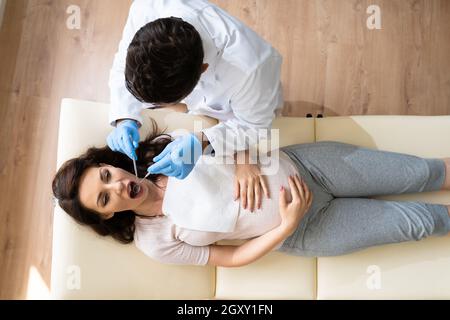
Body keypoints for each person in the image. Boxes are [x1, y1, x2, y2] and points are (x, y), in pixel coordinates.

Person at [52, 126, 450, 267]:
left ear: (112, 163)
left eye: (107, 175)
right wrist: (288, 225)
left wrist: (243, 161)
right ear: (106, 216)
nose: (117, 185)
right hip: (306, 229)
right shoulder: (154, 241)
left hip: (306, 167)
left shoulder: (165, 147)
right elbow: (231, 257)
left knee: (425, 172)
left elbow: (235, 128)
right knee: (421, 223)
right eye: (105, 198)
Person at [107, 0, 283, 204]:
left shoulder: (253, 70)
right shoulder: (147, 7)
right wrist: (124, 118)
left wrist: (202, 140)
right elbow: (123, 64)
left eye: (163, 104)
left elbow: (254, 126)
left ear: (203, 69)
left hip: (249, 103)